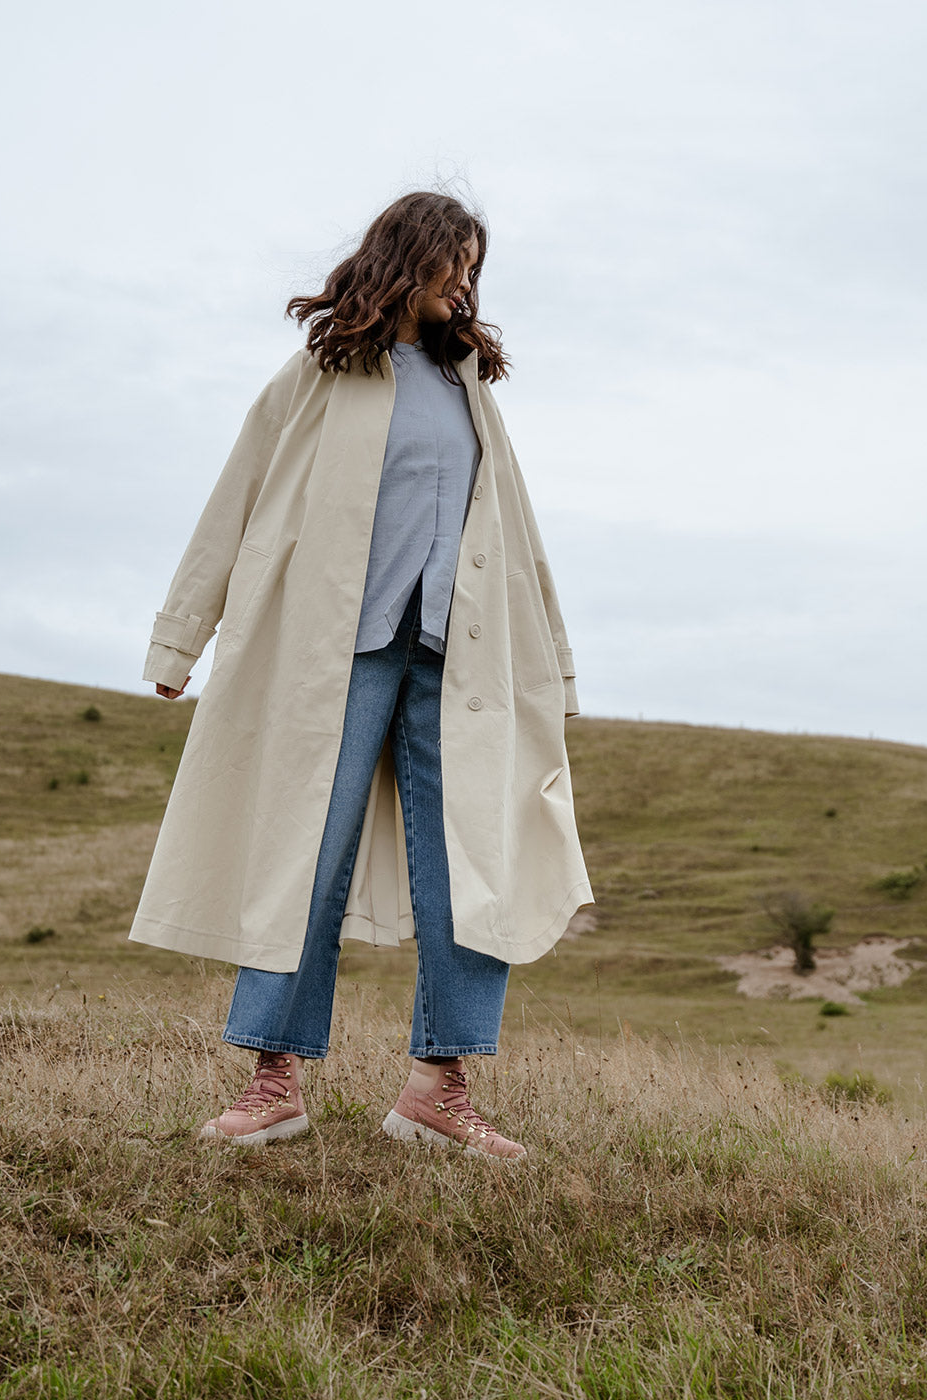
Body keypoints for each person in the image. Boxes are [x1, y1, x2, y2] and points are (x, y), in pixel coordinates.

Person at [130, 190, 592, 1161]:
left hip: (456, 662)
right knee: (301, 854)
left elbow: (516, 540)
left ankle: (438, 1085)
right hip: (331, 654)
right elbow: (237, 494)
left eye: (475, 265)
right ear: (406, 256)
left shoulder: (470, 385)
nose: (464, 280)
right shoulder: (322, 372)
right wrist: (182, 637)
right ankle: (272, 1081)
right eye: (452, 260)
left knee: (475, 866)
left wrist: (551, 667)